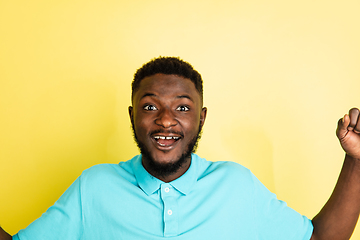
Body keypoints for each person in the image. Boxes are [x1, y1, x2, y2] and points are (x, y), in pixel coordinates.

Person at [1, 57, 360, 240]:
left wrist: (356, 161)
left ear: (201, 119)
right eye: (150, 106)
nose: (166, 120)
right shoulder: (94, 187)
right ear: (132, 115)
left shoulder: (235, 185)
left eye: (183, 108)